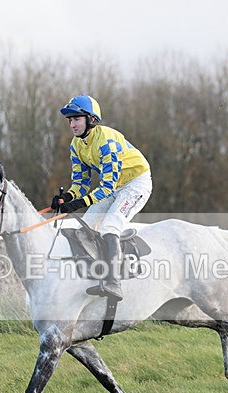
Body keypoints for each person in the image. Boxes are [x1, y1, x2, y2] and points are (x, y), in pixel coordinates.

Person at [51, 94, 152, 300]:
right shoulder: (76, 146)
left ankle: (114, 283)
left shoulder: (106, 139)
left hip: (135, 184)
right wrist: (68, 197)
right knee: (85, 229)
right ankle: (94, 276)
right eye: (70, 120)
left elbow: (106, 187)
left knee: (110, 226)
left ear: (91, 120)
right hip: (115, 187)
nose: (72, 124)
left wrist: (79, 203)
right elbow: (81, 184)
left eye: (76, 119)